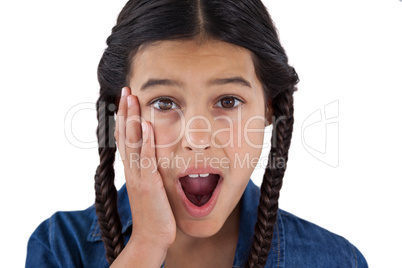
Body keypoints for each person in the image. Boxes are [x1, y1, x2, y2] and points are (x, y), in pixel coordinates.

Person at [26, 0, 368, 267]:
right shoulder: (58, 249)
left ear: (269, 109)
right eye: (163, 103)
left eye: (228, 101)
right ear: (123, 114)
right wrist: (146, 244)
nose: (197, 137)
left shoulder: (339, 261)